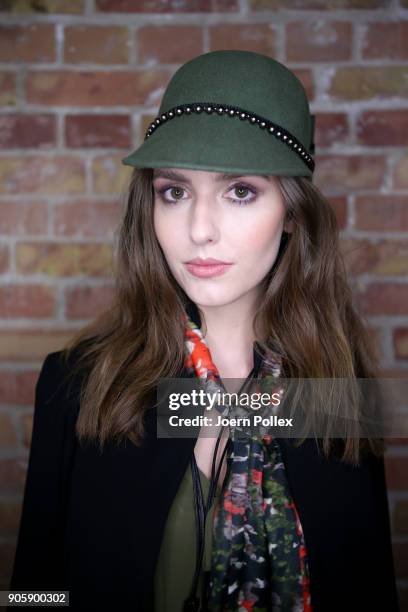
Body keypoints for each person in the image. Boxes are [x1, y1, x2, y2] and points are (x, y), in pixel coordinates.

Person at [9, 50, 399, 612]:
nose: (199, 230)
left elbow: (371, 589)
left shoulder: (338, 390)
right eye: (175, 191)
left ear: (291, 211)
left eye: (240, 190)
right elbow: (32, 593)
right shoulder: (77, 384)